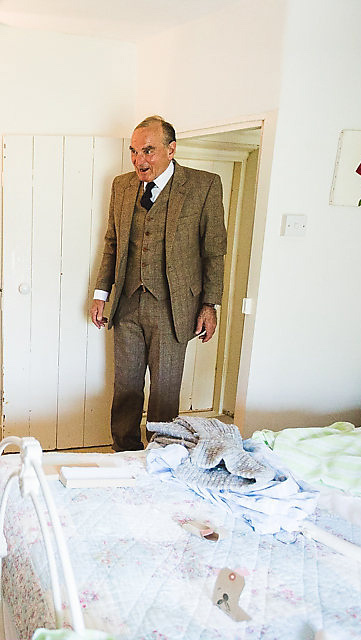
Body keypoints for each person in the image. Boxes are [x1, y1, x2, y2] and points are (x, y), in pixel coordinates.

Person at [90, 115, 227, 452]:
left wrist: (209, 305)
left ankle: (162, 458)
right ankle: (124, 452)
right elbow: (113, 243)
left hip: (173, 307)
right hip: (127, 303)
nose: (139, 160)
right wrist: (100, 294)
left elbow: (214, 251)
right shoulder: (121, 186)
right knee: (126, 388)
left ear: (171, 149)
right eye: (135, 152)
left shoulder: (204, 185)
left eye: (148, 151)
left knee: (165, 391)